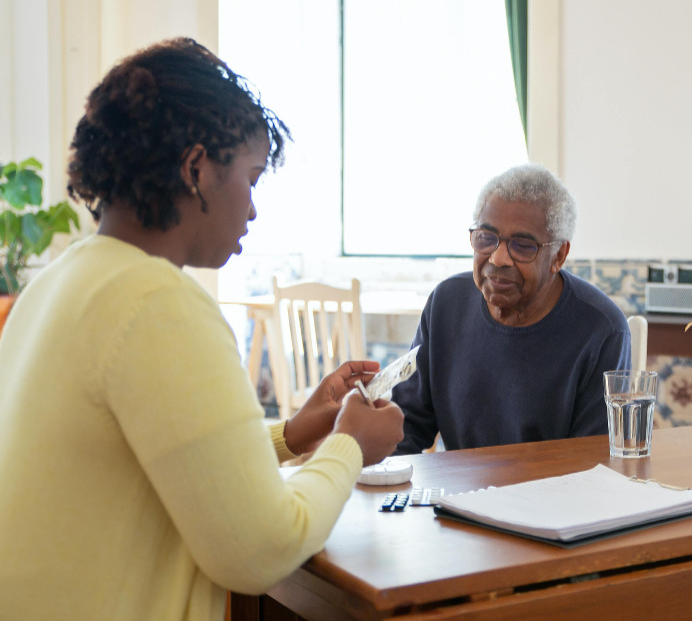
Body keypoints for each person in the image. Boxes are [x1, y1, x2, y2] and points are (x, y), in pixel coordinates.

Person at [0, 38, 404, 620]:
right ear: (196, 169)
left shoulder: (57, 284)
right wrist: (349, 445)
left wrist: (294, 433)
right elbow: (261, 550)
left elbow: (153, 457)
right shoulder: (158, 303)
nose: (254, 208)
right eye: (252, 177)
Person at [392, 164, 630, 454]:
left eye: (523, 245)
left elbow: (592, 463)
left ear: (559, 255)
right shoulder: (446, 303)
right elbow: (405, 428)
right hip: (456, 495)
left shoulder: (602, 330)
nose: (499, 257)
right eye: (486, 238)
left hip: (552, 496)